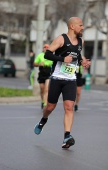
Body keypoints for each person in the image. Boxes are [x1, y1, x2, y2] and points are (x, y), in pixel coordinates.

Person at [34, 17, 91, 149]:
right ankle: (43, 120)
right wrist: (62, 58)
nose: (82, 28)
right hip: (56, 79)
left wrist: (82, 61)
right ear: (72, 26)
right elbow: (47, 55)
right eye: (80, 25)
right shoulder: (61, 39)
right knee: (50, 107)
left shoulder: (81, 41)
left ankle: (67, 136)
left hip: (71, 80)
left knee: (69, 107)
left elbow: (77, 54)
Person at [34, 44, 53, 109]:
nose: (46, 48)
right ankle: (42, 101)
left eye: (47, 47)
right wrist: (39, 64)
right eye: (45, 47)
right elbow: (34, 64)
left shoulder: (51, 56)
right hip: (41, 73)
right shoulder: (40, 55)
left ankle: (45, 103)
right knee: (42, 89)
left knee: (46, 90)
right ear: (43, 48)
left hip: (48, 73)